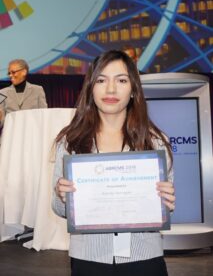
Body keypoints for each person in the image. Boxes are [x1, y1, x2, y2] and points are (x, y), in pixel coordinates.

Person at [52, 50, 175, 276]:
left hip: (144, 255)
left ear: (133, 90)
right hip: (89, 257)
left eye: (121, 80)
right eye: (101, 80)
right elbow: (58, 209)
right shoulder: (70, 141)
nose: (111, 89)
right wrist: (62, 196)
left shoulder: (156, 141)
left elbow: (165, 212)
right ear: (91, 88)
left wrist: (165, 203)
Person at [0, 59, 47, 127]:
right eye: (9, 73)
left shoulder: (37, 90)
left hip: (32, 133)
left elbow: (44, 115)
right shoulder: (2, 93)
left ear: (24, 72)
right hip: (11, 134)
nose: (10, 75)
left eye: (13, 72)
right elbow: (1, 123)